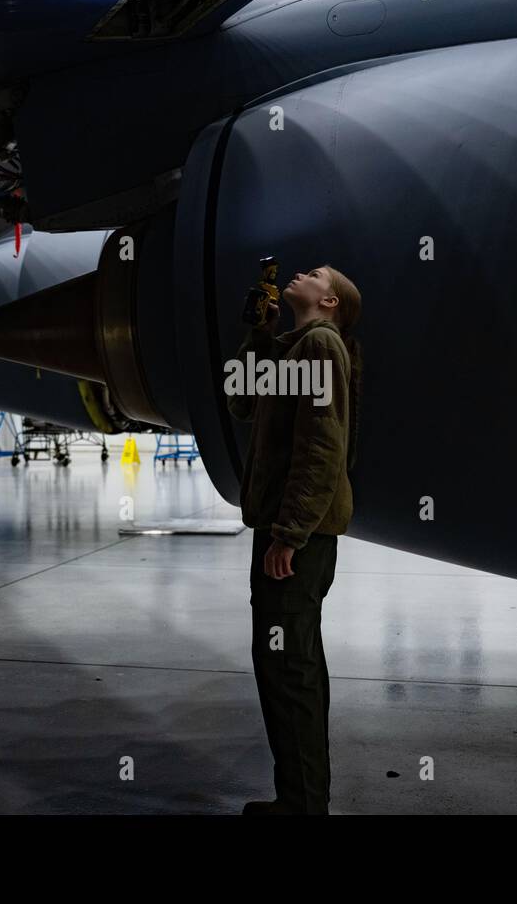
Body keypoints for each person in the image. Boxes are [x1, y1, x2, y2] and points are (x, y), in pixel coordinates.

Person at [227, 264, 363, 815]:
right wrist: (258, 334)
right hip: (286, 535)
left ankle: (303, 807)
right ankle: (299, 801)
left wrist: (290, 533)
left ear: (329, 301)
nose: (302, 274)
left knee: (290, 672)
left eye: (316, 275)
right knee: (289, 666)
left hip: (294, 541)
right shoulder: (295, 349)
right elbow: (241, 399)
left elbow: (322, 449)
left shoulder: (322, 349)